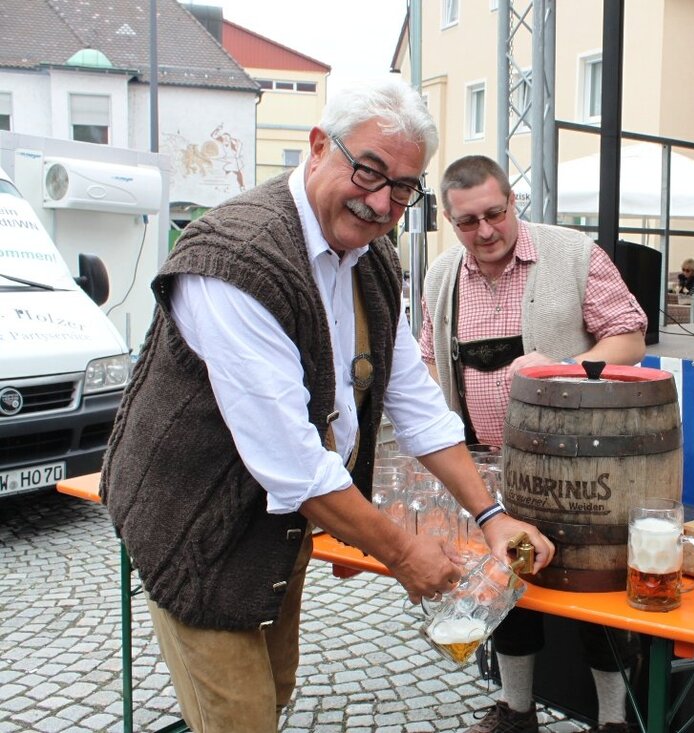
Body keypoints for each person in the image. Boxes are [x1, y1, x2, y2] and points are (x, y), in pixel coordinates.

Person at [99, 80, 554, 733]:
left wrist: (492, 514)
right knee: (239, 717)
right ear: (317, 147)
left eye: (402, 187)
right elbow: (295, 466)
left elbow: (416, 403)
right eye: (367, 171)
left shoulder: (371, 259)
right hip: (194, 520)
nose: (379, 202)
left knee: (275, 687)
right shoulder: (234, 260)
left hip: (279, 524)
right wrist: (402, 552)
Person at [420, 154, 648, 733]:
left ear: (513, 201)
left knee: (597, 598)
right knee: (506, 588)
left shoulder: (571, 254)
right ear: (450, 220)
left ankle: (614, 723)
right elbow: (427, 361)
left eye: (495, 213)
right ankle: (517, 712)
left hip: (579, 469)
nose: (486, 231)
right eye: (468, 222)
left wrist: (564, 371)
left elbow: (630, 335)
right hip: (489, 469)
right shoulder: (441, 274)